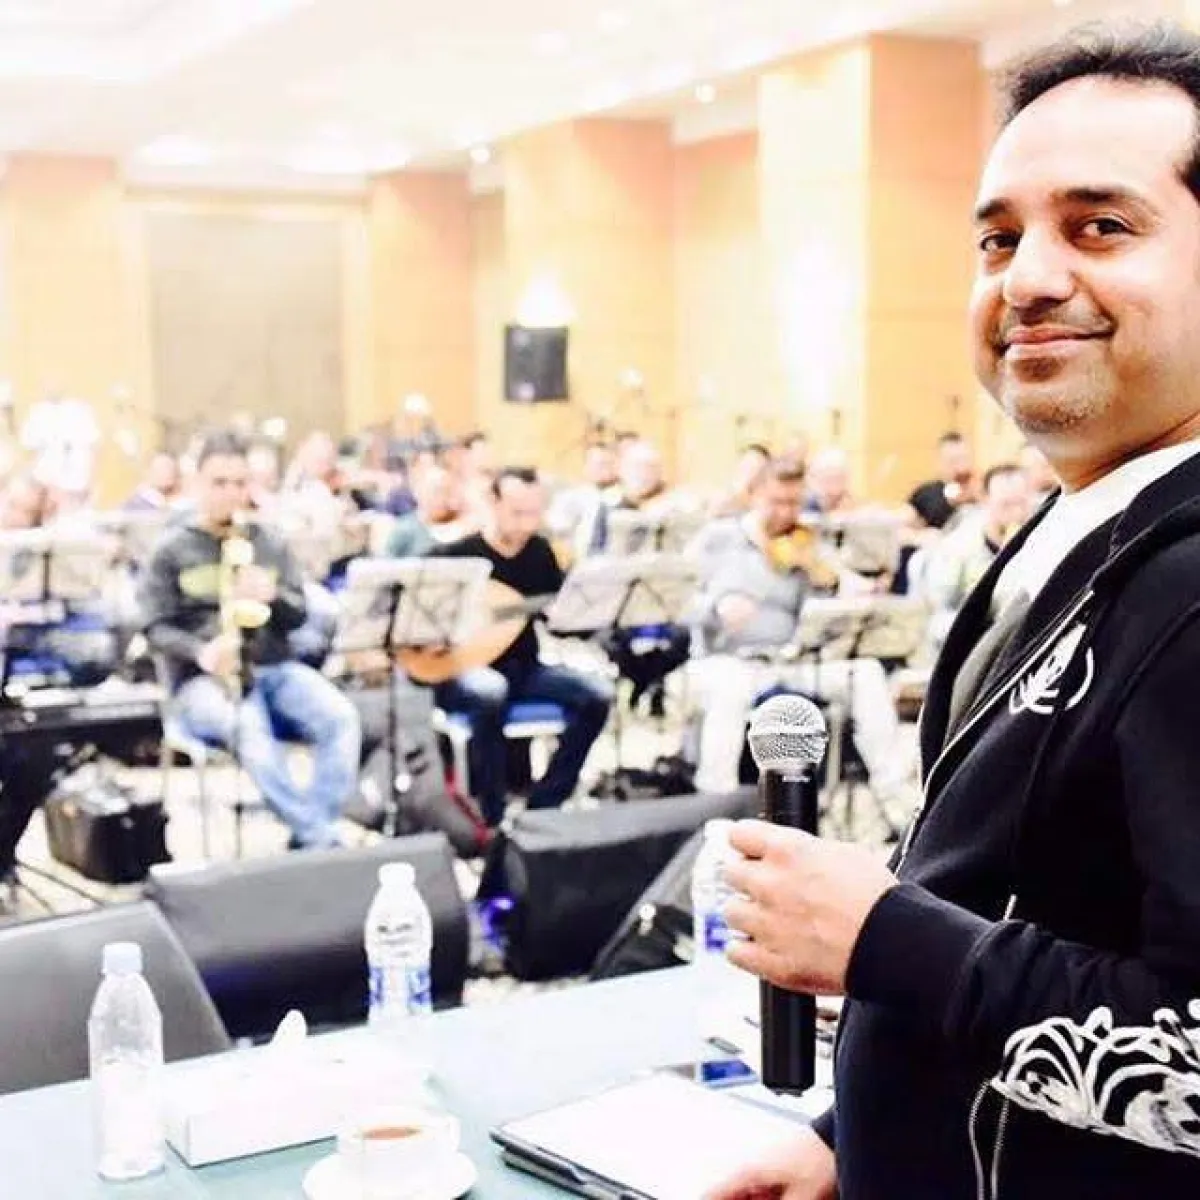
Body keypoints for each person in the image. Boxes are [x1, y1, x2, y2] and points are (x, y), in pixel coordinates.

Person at [709, 23, 1200, 1198]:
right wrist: (847, 1135)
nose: (1027, 279)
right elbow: (1010, 899)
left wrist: (882, 939)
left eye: (1100, 226)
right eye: (999, 237)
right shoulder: (1075, 533)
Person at [139, 430, 361, 850]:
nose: (231, 494)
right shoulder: (170, 549)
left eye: (240, 483)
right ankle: (321, 841)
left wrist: (273, 595)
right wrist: (201, 653)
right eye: (219, 483)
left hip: (271, 667)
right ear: (197, 483)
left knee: (340, 716)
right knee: (249, 727)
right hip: (201, 681)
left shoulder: (268, 542)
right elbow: (153, 627)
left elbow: (299, 616)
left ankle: (310, 837)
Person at [687, 459, 915, 807]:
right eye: (776, 502)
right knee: (730, 690)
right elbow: (679, 600)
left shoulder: (805, 544)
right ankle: (717, 802)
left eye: (794, 503)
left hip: (791, 661)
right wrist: (715, 609)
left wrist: (849, 589)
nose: (785, 513)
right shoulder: (718, 539)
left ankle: (894, 793)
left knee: (866, 674)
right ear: (754, 495)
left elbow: (832, 596)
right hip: (726, 660)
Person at [428, 468, 612, 826]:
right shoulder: (456, 556)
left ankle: (545, 805)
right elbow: (426, 620)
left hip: (525, 669)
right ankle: (491, 817)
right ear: (493, 504)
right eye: (518, 513)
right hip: (466, 672)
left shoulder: (539, 552)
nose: (527, 524)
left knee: (598, 695)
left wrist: (577, 615)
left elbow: (557, 618)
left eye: (534, 513)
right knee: (490, 690)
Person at [906, 430, 979, 530]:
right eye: (953, 461)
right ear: (940, 462)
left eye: (964, 459)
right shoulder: (925, 495)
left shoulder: (982, 489)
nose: (960, 467)